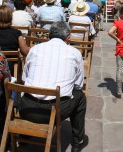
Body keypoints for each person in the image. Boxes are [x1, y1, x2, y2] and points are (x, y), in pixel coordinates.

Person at [19, 21, 88, 152]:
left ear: (49, 35)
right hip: (54, 111)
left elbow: (24, 79)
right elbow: (78, 85)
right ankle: (77, 141)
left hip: (27, 108)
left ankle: (24, 135)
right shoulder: (74, 53)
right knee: (80, 96)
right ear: (68, 37)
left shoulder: (34, 49)